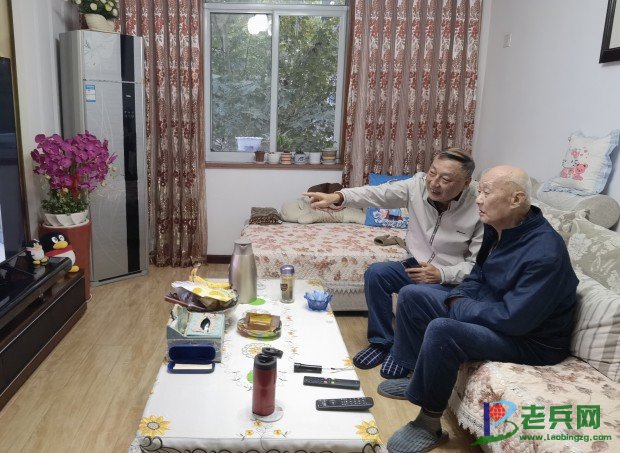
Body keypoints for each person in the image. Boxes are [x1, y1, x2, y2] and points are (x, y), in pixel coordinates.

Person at [378, 165, 578, 453]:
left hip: (531, 341)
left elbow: (513, 320)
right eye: (479, 191)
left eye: (486, 192)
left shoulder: (545, 253)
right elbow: (477, 275)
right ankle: (412, 378)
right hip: (492, 310)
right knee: (412, 295)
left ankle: (428, 424)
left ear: (516, 199)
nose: (478, 199)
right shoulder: (500, 229)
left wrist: (460, 305)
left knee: (443, 330)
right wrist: (460, 296)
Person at [304, 150, 484, 379]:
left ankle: (402, 354)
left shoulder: (479, 206)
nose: (434, 183)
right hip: (416, 265)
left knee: (411, 293)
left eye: (446, 179)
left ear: (466, 183)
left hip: (449, 279)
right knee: (377, 273)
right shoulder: (417, 185)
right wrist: (338, 197)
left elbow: (477, 266)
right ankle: (381, 342)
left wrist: (442, 274)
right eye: (432, 173)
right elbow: (377, 194)